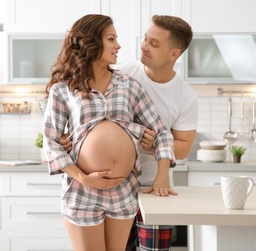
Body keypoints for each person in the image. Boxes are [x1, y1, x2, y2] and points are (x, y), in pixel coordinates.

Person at [42, 14, 175, 251]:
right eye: (111, 39)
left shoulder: (129, 86)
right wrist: (83, 177)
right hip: (82, 191)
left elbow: (162, 133)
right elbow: (51, 142)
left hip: (124, 191)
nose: (118, 45)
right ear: (91, 43)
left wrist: (162, 173)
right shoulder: (63, 89)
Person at [119, 15, 198, 251]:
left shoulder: (185, 97)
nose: (143, 46)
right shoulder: (122, 73)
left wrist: (156, 144)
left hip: (156, 188)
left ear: (174, 54)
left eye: (154, 43)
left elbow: (183, 148)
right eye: (145, 39)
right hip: (116, 188)